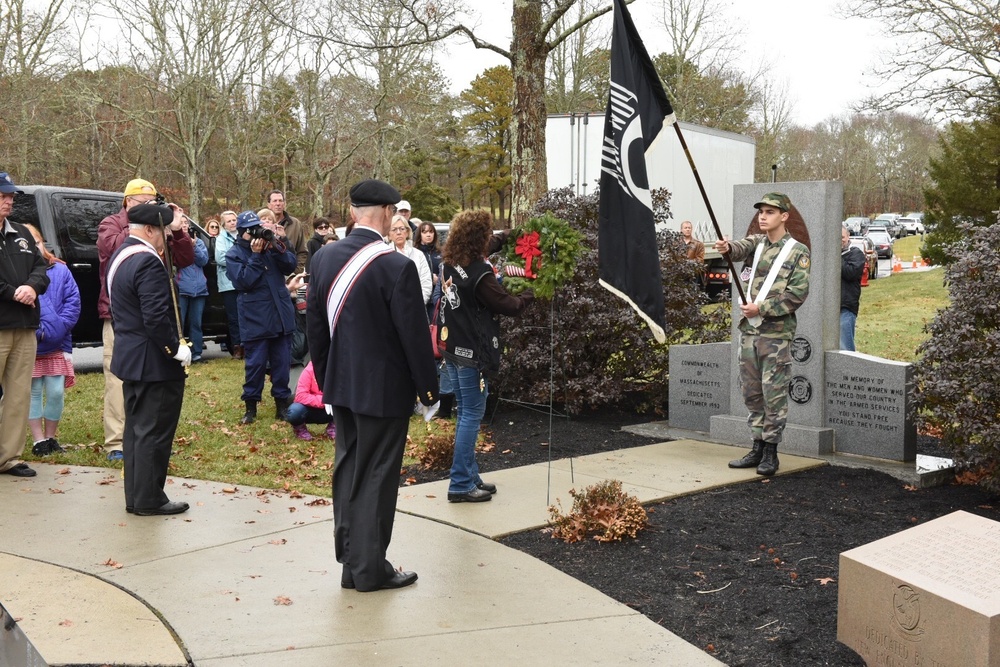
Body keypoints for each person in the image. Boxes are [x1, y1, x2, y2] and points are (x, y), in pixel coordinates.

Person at [306, 179, 438, 593]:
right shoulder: (394, 264)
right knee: (377, 478)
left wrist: (327, 381)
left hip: (341, 386)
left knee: (348, 473)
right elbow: (414, 337)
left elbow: (315, 330)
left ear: (351, 213)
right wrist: (429, 392)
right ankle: (370, 569)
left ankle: (351, 563)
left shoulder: (324, 258)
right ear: (385, 212)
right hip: (383, 390)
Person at [438, 210, 534, 502]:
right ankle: (460, 484)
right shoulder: (480, 274)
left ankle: (469, 475)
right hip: (473, 353)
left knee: (465, 413)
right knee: (470, 415)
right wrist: (533, 291)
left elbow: (493, 242)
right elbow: (509, 304)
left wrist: (513, 235)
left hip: (452, 347)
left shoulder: (451, 261)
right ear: (477, 238)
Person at [714, 193, 810, 477]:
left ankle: (771, 451)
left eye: (770, 212)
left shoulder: (797, 251)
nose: (763, 216)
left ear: (784, 216)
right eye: (761, 212)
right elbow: (738, 249)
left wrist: (762, 308)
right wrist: (726, 247)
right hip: (749, 332)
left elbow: (797, 294)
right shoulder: (756, 243)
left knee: (774, 392)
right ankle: (756, 446)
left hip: (776, 334)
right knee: (751, 390)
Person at [98, 178, 193, 460]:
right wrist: (147, 223)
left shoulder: (158, 229)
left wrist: (176, 231)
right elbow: (116, 246)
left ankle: (144, 439)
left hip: (155, 311)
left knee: (153, 381)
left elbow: (185, 258)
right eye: (144, 202)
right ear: (128, 202)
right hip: (123, 315)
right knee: (120, 380)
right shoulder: (112, 224)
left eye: (154, 201)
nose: (151, 206)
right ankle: (117, 441)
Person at [106, 202, 191, 515]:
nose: (167, 238)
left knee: (137, 432)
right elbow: (155, 317)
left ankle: (137, 496)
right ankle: (149, 499)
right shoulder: (148, 262)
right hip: (154, 361)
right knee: (154, 433)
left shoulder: (121, 255)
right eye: (165, 231)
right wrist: (176, 349)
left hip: (131, 356)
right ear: (150, 229)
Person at [225, 210, 297, 424]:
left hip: (280, 314)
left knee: (282, 363)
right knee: (255, 365)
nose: (257, 233)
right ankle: (251, 407)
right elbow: (243, 282)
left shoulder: (270, 246)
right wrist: (256, 256)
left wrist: (278, 244)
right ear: (242, 233)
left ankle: (282, 405)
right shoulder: (234, 254)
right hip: (255, 316)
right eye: (252, 230)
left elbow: (290, 265)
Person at [0, 173, 50, 478]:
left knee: (18, 394)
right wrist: (12, 293)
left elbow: (41, 266)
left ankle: (9, 457)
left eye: (10, 196)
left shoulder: (21, 232)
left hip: (25, 325)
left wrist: (32, 287)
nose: (9, 201)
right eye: (3, 196)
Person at [26, 224, 80, 456]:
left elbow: (73, 301)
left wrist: (59, 327)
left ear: (42, 243)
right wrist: (36, 332)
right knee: (34, 390)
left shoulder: (60, 270)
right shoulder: (18, 272)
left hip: (58, 341)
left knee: (56, 391)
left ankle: (51, 437)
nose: (34, 247)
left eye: (36, 242)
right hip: (31, 343)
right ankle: (38, 440)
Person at [176, 217, 210, 362]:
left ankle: (196, 353)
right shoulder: (174, 242)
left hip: (199, 288)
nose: (184, 225)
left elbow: (203, 261)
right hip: (182, 287)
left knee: (196, 322)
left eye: (186, 223)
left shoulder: (199, 242)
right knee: (180, 324)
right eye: (181, 223)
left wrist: (194, 246)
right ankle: (178, 353)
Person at [215, 210, 243, 359]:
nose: (232, 223)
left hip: (244, 281)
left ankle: (248, 345)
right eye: (229, 221)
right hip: (228, 283)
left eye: (234, 220)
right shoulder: (221, 239)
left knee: (246, 315)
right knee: (233, 318)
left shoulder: (243, 235)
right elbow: (220, 258)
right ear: (224, 224)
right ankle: (237, 347)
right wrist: (239, 260)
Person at [389, 214, 433, 308]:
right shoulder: (385, 255)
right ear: (389, 234)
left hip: (416, 308)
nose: (398, 232)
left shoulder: (418, 255)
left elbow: (426, 283)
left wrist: (415, 305)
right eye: (394, 229)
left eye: (402, 229)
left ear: (407, 231)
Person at [285, 361, 336, 441]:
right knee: (295, 411)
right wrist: (323, 400)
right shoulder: (309, 369)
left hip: (332, 409)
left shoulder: (339, 370)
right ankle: (300, 429)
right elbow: (300, 396)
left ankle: (334, 427)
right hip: (310, 409)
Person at [266, 189, 308, 272]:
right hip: (268, 276)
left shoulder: (295, 224)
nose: (278, 204)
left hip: (290, 275)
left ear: (284, 204)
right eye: (274, 201)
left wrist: (296, 272)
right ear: (269, 205)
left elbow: (302, 251)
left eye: (280, 201)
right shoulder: (262, 223)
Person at [840, 225, 866, 351]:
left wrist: (835, 257)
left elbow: (850, 273)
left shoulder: (856, 254)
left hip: (846, 308)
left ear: (848, 236)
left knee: (845, 347)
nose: (839, 241)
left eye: (842, 237)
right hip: (827, 310)